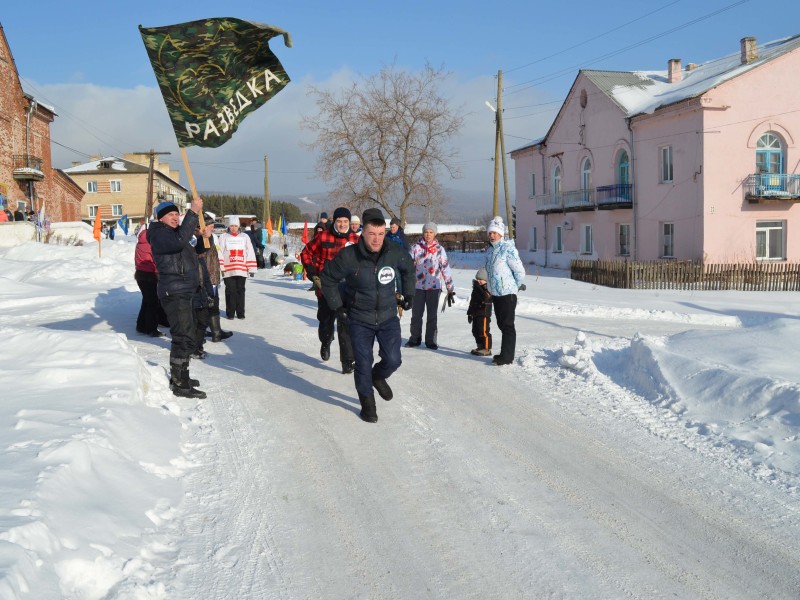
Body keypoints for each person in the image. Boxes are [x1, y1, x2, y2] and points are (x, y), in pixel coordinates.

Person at [320, 207, 416, 423]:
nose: (377, 239)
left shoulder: (393, 251)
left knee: (393, 359)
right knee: (362, 363)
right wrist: (337, 306)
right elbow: (328, 278)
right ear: (362, 232)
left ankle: (378, 376)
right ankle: (367, 404)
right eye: (372, 234)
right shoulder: (349, 256)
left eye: (381, 234)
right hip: (359, 318)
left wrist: (409, 293)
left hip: (388, 316)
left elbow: (409, 269)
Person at [147, 198, 206, 399]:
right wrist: (193, 213)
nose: (174, 218)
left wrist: (201, 238)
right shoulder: (157, 234)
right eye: (170, 215)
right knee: (182, 337)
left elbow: (192, 252)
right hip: (174, 291)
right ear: (160, 218)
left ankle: (182, 376)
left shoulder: (174, 234)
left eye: (176, 214)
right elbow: (178, 243)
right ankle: (180, 383)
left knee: (188, 335)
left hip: (185, 290)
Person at [300, 206, 360, 373]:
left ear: (350, 222)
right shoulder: (323, 236)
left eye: (345, 221)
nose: (342, 224)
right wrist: (311, 270)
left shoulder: (356, 240)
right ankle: (326, 341)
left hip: (347, 288)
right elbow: (305, 252)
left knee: (345, 322)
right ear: (335, 221)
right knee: (326, 321)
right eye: (339, 221)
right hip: (326, 287)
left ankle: (348, 361)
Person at [406, 222, 455, 350]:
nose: (428, 235)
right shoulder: (416, 248)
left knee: (432, 315)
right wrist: (406, 283)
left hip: (434, 287)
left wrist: (449, 286)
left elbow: (445, 268)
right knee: (416, 314)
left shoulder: (440, 250)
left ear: (435, 234)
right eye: (426, 232)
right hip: (418, 287)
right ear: (423, 233)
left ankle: (430, 340)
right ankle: (414, 338)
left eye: (431, 232)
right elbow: (407, 267)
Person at [485, 216, 526, 366]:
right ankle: (504, 353)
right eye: (490, 233)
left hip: (507, 293)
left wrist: (515, 286)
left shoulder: (508, 249)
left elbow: (520, 271)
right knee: (502, 324)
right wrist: (490, 289)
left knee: (507, 325)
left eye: (495, 233)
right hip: (496, 293)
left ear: (501, 234)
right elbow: (489, 272)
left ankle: (507, 357)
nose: (492, 235)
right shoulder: (490, 251)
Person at [196, 214, 233, 343]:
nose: (213, 228)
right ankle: (205, 333)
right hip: (205, 278)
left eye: (212, 225)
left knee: (213, 304)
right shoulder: (200, 239)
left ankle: (216, 332)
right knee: (206, 306)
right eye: (210, 226)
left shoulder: (210, 237)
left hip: (211, 276)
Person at [218, 216, 257, 319]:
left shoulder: (245, 237)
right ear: (229, 226)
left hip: (241, 269)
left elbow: (250, 252)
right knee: (230, 290)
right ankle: (230, 313)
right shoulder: (223, 237)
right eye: (231, 226)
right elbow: (219, 252)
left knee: (240, 290)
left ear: (239, 226)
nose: (233, 228)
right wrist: (221, 266)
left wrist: (251, 267)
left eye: (235, 226)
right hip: (228, 269)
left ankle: (240, 313)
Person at [134, 221, 168, 337]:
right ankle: (151, 328)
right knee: (152, 302)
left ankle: (141, 325)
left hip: (141, 275)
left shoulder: (141, 242)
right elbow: (157, 259)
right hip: (149, 275)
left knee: (147, 301)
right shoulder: (151, 243)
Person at [467, 268, 492, 356]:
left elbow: (486, 297)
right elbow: (472, 302)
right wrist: (469, 313)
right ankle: (480, 346)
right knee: (475, 331)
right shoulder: (476, 289)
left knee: (483, 331)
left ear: (485, 280)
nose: (479, 281)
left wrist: (478, 288)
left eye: (480, 279)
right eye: (477, 279)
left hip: (484, 314)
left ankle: (487, 348)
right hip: (475, 313)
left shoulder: (488, 289)